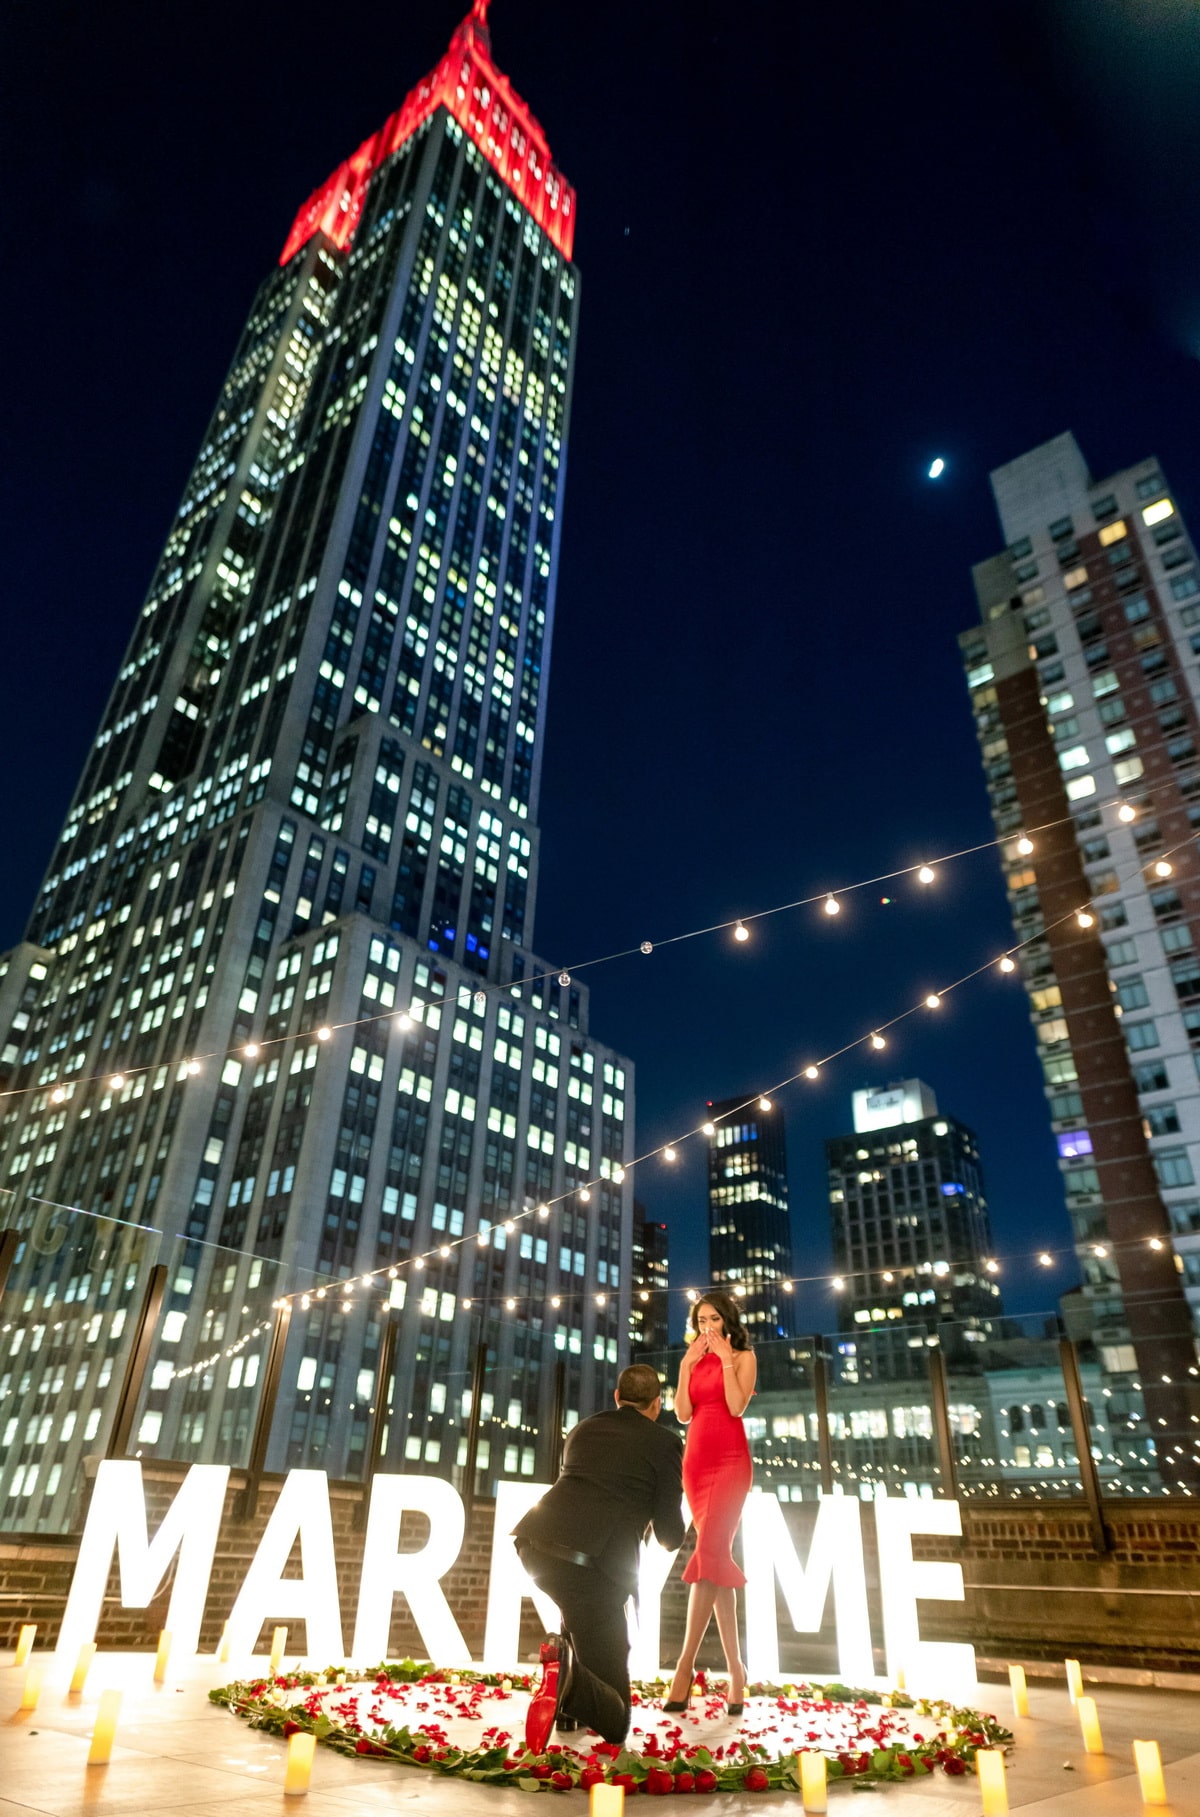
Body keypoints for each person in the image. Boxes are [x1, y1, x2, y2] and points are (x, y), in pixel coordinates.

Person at [512, 1362, 685, 1745]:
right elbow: (670, 1535)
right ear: (657, 1404)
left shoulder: (583, 1429)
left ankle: (569, 1706)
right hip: (594, 1568)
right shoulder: (665, 1442)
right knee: (616, 1719)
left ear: (617, 1398)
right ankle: (568, 1683)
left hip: (536, 1547)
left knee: (577, 1612)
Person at [664, 1289, 756, 1715]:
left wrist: (725, 1358)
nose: (707, 1328)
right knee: (715, 1559)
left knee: (708, 1554)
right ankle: (737, 1671)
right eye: (700, 1321)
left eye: (714, 1320)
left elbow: (736, 1406)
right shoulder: (692, 1360)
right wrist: (685, 1366)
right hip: (696, 1463)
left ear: (727, 1322)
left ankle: (685, 1668)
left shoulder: (744, 1356)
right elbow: (683, 1412)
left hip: (731, 1460)